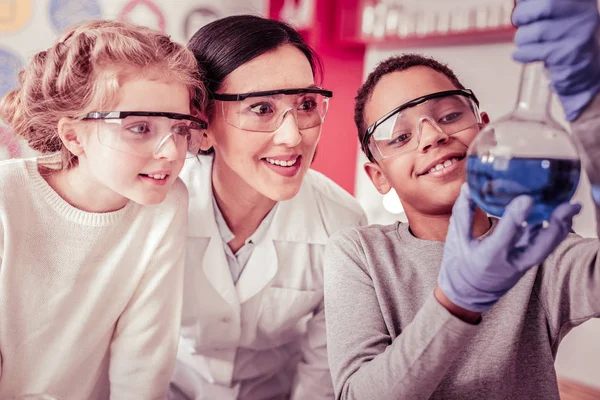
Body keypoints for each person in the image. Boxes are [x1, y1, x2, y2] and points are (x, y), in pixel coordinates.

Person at [323, 0, 600, 398]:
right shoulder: (360, 254)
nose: (433, 135)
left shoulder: (536, 249)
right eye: (400, 136)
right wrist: (454, 303)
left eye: (450, 115)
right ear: (378, 176)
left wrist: (591, 108)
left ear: (485, 131)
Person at [0, 19, 208, 400]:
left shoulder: (166, 205)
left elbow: (143, 360)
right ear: (73, 136)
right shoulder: (5, 197)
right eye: (140, 127)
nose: (170, 152)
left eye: (180, 128)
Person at [170, 15, 367, 400]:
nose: (293, 136)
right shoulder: (155, 211)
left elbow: (323, 371)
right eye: (261, 109)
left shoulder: (343, 223)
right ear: (203, 124)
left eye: (306, 104)